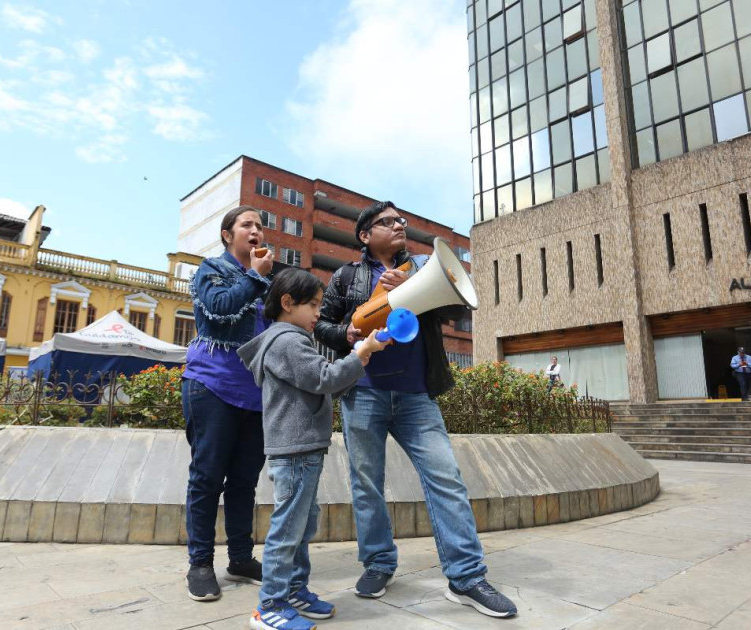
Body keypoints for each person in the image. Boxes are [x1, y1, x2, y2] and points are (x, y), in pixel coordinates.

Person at [314, 201, 518, 619]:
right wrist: (348, 331)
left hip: (417, 396)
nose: (398, 226)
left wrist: (409, 287)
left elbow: (456, 307)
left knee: (446, 478)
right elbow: (321, 324)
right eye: (387, 222)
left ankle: (466, 577)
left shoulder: (423, 266)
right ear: (365, 235)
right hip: (363, 392)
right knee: (366, 484)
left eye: (401, 220)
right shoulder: (347, 276)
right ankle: (378, 563)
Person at [239, 268, 390, 630]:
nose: (318, 313)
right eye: (313, 305)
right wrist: (360, 353)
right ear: (287, 303)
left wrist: (358, 360)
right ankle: (269, 605)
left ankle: (293, 590)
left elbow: (320, 387)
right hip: (295, 451)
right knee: (288, 530)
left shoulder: (288, 340)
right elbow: (323, 378)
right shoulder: (288, 341)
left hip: (302, 449)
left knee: (301, 527)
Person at [182, 205, 274, 602]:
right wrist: (255, 276)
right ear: (227, 235)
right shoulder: (211, 270)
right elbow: (220, 309)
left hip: (254, 394)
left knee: (244, 481)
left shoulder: (267, 283)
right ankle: (200, 564)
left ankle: (240, 559)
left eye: (260, 226)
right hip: (211, 385)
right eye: (247, 225)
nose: (256, 231)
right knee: (207, 477)